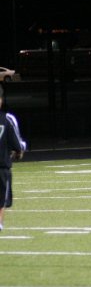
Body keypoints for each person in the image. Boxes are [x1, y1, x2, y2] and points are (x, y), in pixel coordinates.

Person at [0, 90, 26, 232]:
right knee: (1, 201)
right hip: (2, 168)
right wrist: (19, 151)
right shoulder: (7, 119)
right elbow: (17, 145)